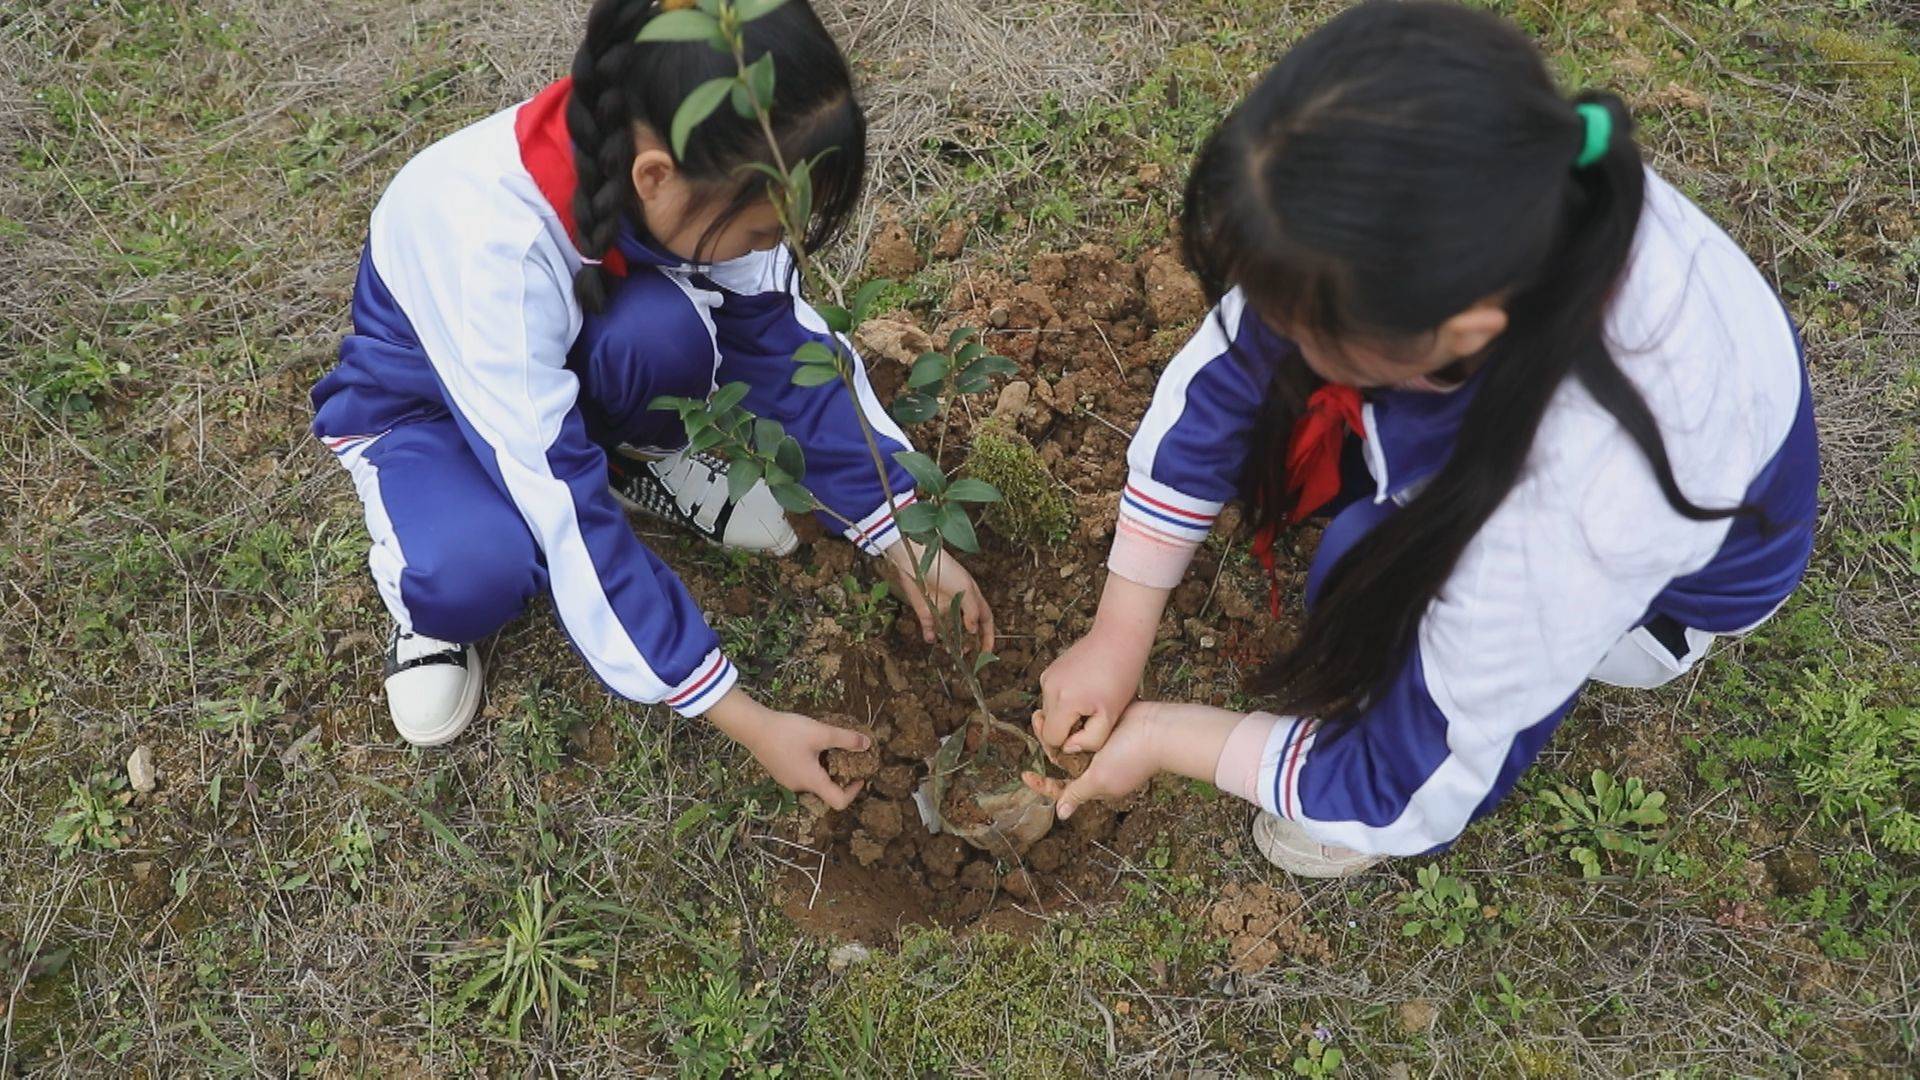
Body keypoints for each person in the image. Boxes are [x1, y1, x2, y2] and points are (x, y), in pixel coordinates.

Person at [1027, 0, 1817, 877]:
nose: (1273, 333)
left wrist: (1173, 736)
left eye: (1311, 331)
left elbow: (1409, 788)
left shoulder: (1571, 521)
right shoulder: (1476, 205)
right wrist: (1118, 631)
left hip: (1657, 609)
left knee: (1365, 565)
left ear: (1467, 330)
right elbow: (1231, 370)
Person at [310, 0, 992, 809]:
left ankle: (633, 458)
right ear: (655, 178)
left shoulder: (681, 164)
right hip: (419, 409)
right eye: (762, 234)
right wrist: (747, 718)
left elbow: (783, 347)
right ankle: (422, 588)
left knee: (669, 338)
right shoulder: (494, 249)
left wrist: (899, 531)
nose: (770, 252)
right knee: (475, 575)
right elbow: (566, 505)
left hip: (553, 368)